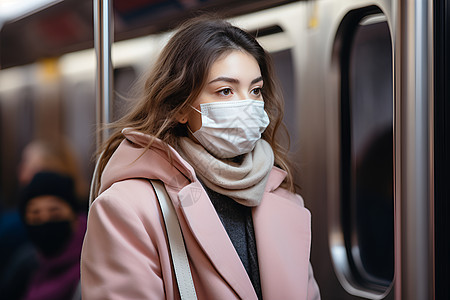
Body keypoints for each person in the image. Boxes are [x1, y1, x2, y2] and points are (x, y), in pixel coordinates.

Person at [81, 16, 320, 299]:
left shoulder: (281, 198)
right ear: (180, 108)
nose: (247, 105)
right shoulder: (126, 209)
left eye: (255, 90)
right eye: (225, 91)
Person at [18, 171, 87, 300]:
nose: (45, 220)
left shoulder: (90, 266)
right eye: (35, 215)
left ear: (74, 216)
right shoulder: (29, 263)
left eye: (55, 213)